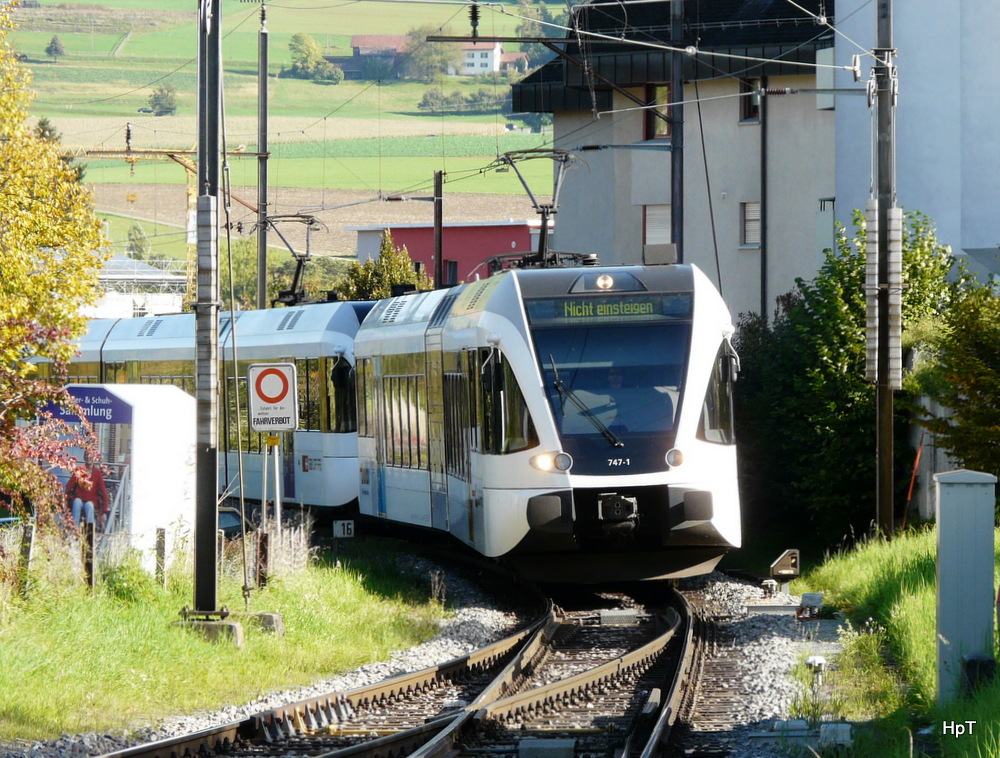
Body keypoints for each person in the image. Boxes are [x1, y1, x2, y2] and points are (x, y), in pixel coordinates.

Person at [65, 454, 109, 531]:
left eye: (91, 456)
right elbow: (69, 485)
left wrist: (104, 511)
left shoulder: (97, 473)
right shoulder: (79, 470)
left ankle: (90, 536)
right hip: (79, 498)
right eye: (87, 456)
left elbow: (103, 491)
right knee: (76, 502)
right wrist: (65, 499)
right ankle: (74, 532)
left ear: (94, 458)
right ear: (84, 458)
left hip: (91, 501)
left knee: (89, 506)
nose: (89, 458)